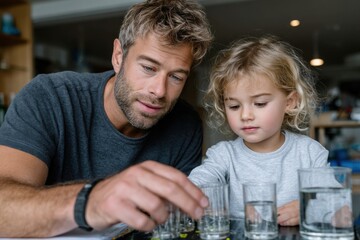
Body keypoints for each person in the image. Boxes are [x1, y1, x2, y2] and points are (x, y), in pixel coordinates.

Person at [0, 0, 213, 237]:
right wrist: (91, 200)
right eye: (148, 68)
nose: (160, 91)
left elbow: (178, 224)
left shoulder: (186, 125)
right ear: (119, 56)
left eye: (176, 77)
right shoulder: (49, 97)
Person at [188, 35, 329, 226]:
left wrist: (307, 208)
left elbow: (336, 204)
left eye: (260, 103)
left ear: (290, 102)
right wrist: (190, 193)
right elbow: (199, 181)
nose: (245, 115)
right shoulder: (223, 155)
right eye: (234, 106)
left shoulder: (310, 153)